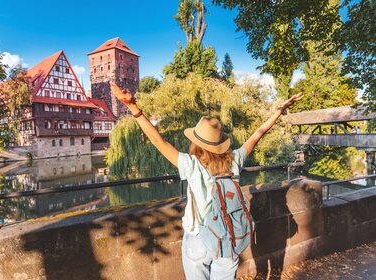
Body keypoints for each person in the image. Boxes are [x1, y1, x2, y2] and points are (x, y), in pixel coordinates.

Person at [110, 82, 303, 280]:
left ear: (196, 142)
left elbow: (158, 140)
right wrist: (280, 110)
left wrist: (133, 106)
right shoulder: (235, 159)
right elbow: (258, 134)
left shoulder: (191, 164)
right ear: (220, 143)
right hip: (229, 237)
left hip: (198, 237)